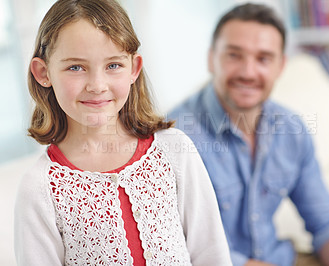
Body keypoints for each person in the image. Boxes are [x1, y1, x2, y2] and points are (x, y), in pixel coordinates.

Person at [13, 0, 232, 265]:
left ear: (134, 68)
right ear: (43, 72)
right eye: (75, 67)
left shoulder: (174, 152)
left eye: (113, 65)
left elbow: (212, 253)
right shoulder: (40, 188)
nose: (96, 85)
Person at [169, 3, 329, 266]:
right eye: (234, 55)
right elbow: (181, 249)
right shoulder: (173, 138)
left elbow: (327, 222)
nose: (248, 72)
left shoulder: (291, 130)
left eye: (263, 58)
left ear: (280, 66)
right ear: (211, 58)